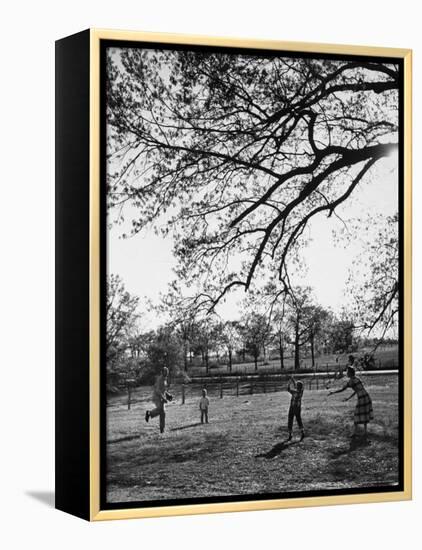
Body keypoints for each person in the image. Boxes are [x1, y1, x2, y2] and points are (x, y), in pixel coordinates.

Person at [328, 365, 374, 437]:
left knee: (357, 414)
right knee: (365, 414)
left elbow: (342, 389)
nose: (346, 373)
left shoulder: (351, 381)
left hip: (362, 398)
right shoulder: (357, 379)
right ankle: (365, 432)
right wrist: (348, 398)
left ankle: (355, 433)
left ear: (350, 373)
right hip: (366, 396)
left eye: (347, 372)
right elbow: (358, 390)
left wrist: (333, 392)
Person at [145, 367, 173, 433]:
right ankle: (161, 429)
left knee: (162, 413)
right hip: (157, 397)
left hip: (161, 397)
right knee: (162, 411)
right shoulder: (160, 379)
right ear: (162, 372)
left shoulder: (165, 379)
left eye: (167, 371)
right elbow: (158, 390)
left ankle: (161, 429)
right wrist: (163, 398)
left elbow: (163, 390)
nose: (167, 373)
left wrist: (168, 395)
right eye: (165, 371)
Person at [287, 377, 305, 441]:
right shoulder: (301, 391)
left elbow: (288, 389)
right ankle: (302, 432)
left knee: (290, 419)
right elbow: (296, 387)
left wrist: (289, 383)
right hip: (298, 407)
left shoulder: (294, 392)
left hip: (292, 407)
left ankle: (290, 434)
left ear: (297, 387)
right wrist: (293, 381)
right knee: (298, 419)